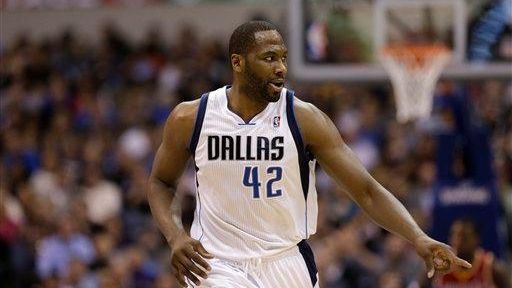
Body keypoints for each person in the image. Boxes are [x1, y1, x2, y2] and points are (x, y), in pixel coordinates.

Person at [147, 21, 472, 288]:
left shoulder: (304, 119)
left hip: (287, 263)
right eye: (269, 58)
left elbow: (367, 191)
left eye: (283, 58)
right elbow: (161, 181)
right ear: (238, 62)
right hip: (217, 262)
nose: (281, 68)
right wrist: (175, 235)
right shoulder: (191, 118)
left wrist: (417, 237)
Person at [433, 218, 510, 288]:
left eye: (464, 237)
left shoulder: (490, 266)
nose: (459, 241)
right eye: (456, 236)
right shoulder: (439, 265)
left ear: (476, 239)